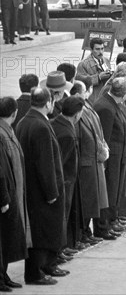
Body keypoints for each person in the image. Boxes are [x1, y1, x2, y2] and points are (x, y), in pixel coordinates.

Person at [16, 87, 65, 285]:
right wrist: (51, 192)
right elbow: (45, 163)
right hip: (41, 189)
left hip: (31, 186)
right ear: (47, 103)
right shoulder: (40, 126)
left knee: (42, 229)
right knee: (42, 231)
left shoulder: (25, 121)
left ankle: (46, 265)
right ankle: (36, 272)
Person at [69, 79, 112, 240]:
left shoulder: (87, 107)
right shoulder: (79, 110)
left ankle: (87, 232)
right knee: (88, 200)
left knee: (94, 199)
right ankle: (83, 233)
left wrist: (103, 147)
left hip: (95, 158)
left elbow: (97, 132)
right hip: (86, 161)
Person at [93, 78, 126, 238]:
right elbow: (106, 138)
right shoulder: (106, 108)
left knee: (115, 190)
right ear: (124, 93)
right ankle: (104, 224)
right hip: (111, 158)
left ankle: (112, 219)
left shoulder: (115, 104)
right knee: (109, 191)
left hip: (119, 155)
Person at [50, 96, 85, 256]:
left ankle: (62, 246)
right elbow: (60, 162)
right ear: (77, 114)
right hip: (64, 182)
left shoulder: (57, 123)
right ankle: (58, 250)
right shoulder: (67, 133)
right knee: (61, 217)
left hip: (64, 181)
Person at [0, 97, 27, 290]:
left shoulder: (7, 130)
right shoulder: (1, 134)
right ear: (14, 113)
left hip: (11, 191)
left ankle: (4, 274)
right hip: (6, 195)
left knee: (8, 238)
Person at [76, 38, 112, 105]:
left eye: (102, 48)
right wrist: (98, 77)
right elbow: (81, 83)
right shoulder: (83, 64)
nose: (101, 52)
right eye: (97, 49)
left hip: (105, 98)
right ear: (91, 50)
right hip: (93, 100)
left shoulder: (106, 60)